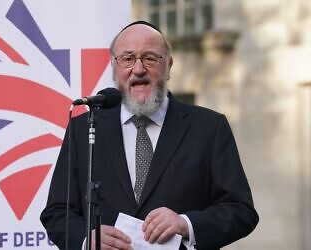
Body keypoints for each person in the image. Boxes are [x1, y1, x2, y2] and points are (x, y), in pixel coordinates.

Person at [40, 20, 259, 250]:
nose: (138, 69)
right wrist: (86, 239)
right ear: (114, 68)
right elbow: (57, 212)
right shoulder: (84, 128)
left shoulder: (209, 127)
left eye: (150, 58)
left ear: (169, 66)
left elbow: (241, 211)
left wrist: (186, 224)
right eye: (127, 58)